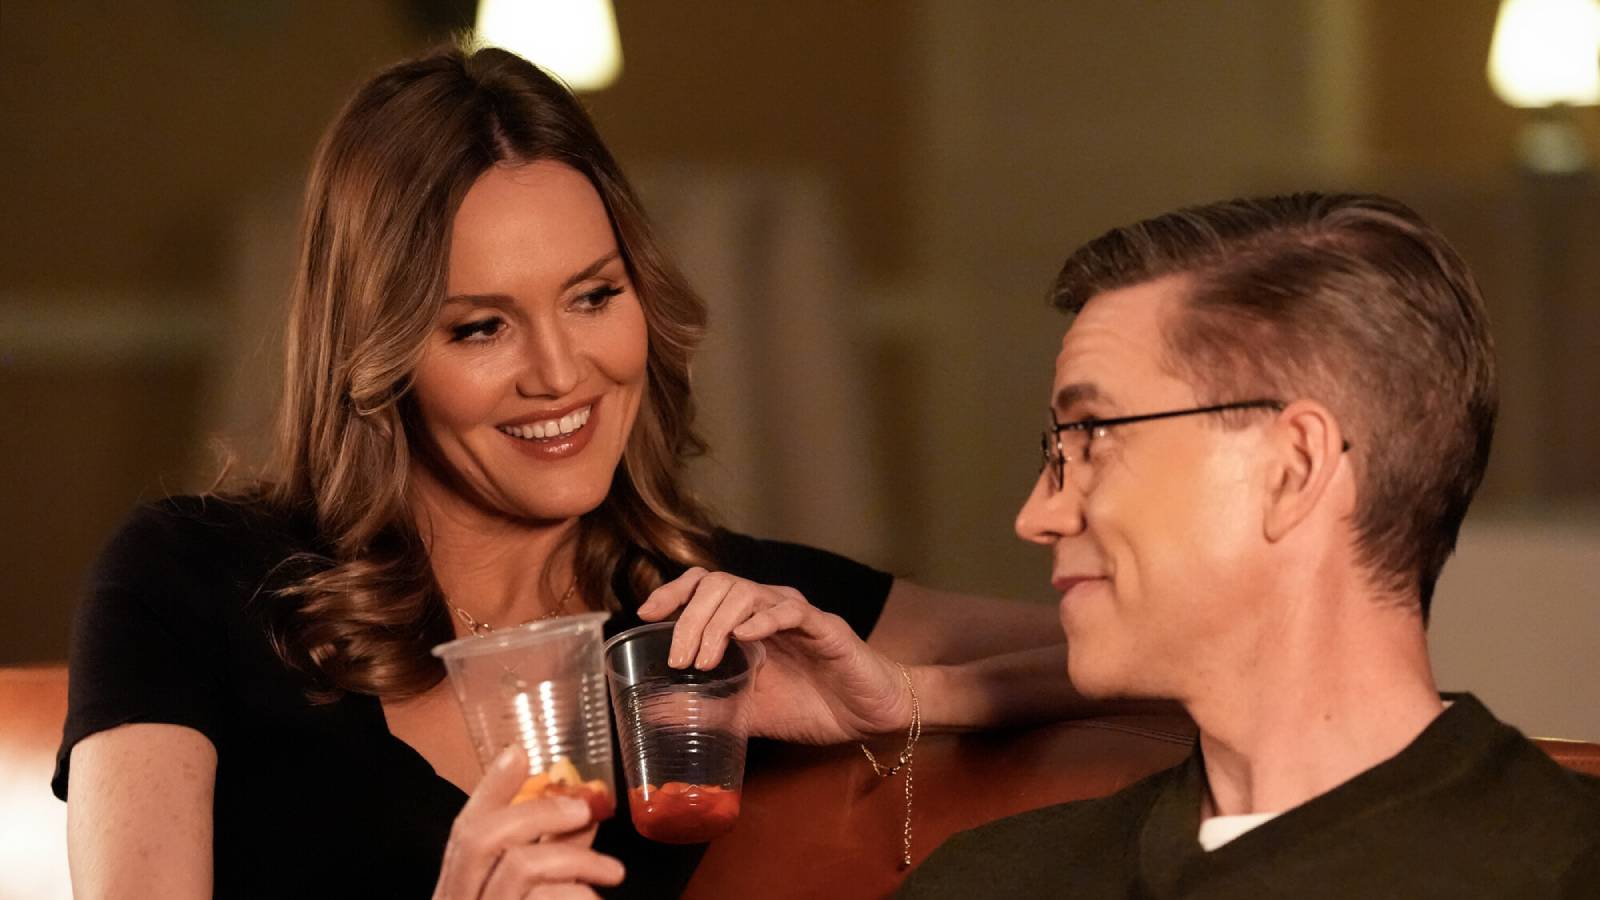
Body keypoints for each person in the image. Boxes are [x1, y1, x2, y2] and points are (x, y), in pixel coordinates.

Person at [52, 44, 1087, 900]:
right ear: (380, 355)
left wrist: (897, 696)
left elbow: (1130, 657)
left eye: (593, 297)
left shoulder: (715, 617)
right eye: (481, 326)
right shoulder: (189, 579)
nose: (559, 374)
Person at [897, 193, 1600, 898]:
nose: (1038, 516)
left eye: (1094, 438)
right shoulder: (987, 881)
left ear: (1293, 468)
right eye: (1057, 451)